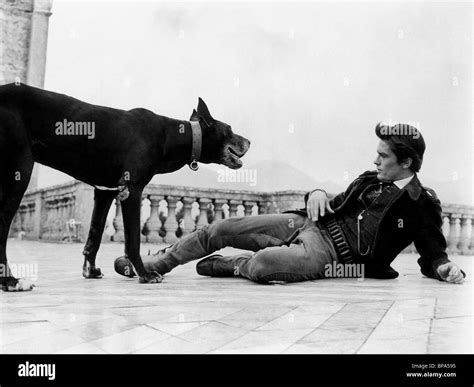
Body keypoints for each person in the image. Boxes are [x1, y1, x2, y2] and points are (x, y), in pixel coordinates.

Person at [114, 123, 465, 284]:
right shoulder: (369, 179)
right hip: (307, 225)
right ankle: (155, 264)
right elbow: (335, 202)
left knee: (265, 264)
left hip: (335, 260)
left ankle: (232, 266)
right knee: (222, 227)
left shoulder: (422, 203)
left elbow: (433, 252)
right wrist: (316, 194)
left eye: (383, 156)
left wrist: (443, 268)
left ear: (405, 162)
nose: (375, 161)